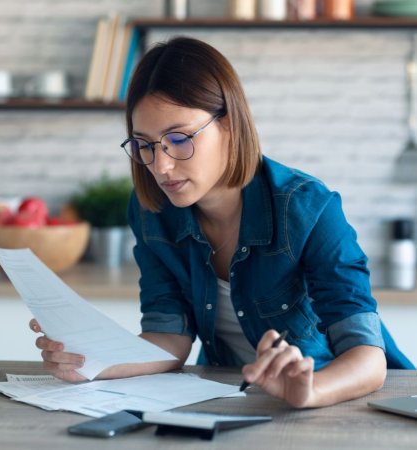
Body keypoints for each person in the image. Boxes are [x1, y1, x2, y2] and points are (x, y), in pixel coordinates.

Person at [30, 36, 414, 409]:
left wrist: (310, 390)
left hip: (342, 402)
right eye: (144, 144)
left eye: (178, 138)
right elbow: (170, 337)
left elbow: (367, 356)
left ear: (229, 124)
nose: (160, 166)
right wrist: (90, 363)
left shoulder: (308, 208)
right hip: (238, 400)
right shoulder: (151, 211)